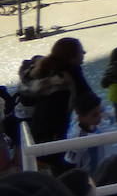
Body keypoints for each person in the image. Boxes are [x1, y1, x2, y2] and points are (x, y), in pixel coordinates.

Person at [19, 37, 97, 170]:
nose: (84, 53)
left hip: (38, 132)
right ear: (71, 57)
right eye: (80, 51)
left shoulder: (44, 72)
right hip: (54, 135)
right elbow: (89, 99)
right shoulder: (71, 75)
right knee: (63, 171)